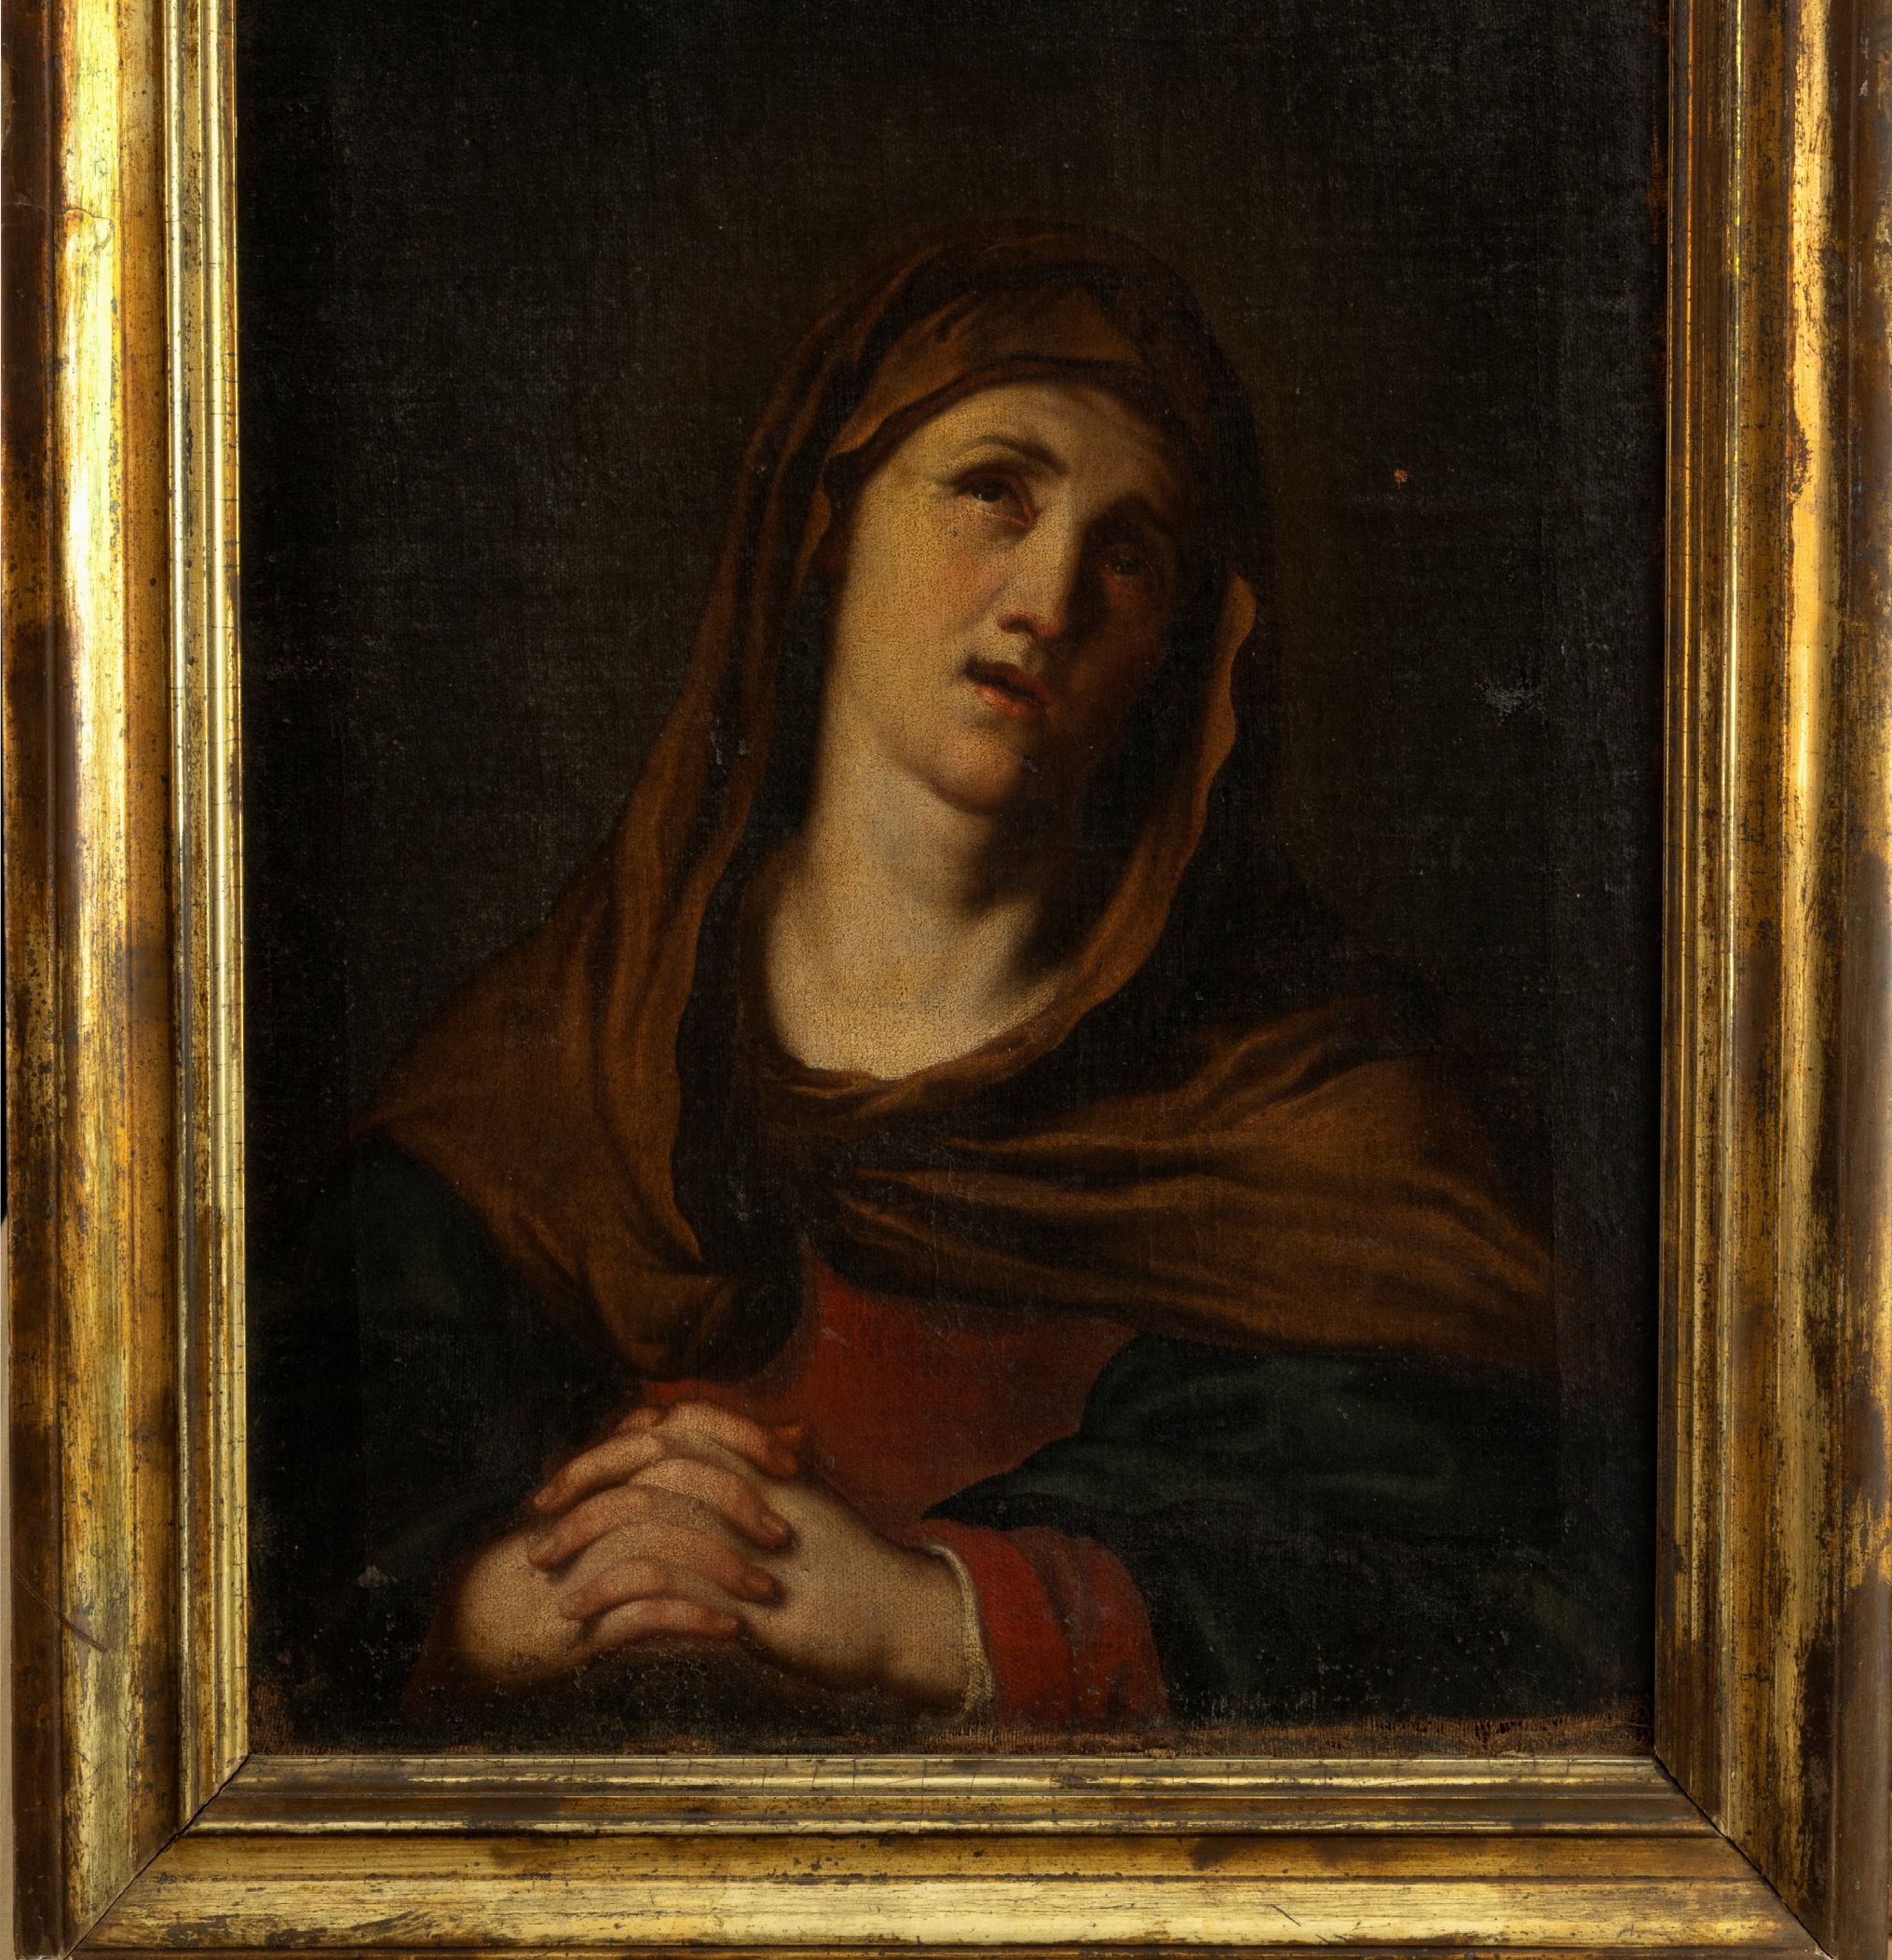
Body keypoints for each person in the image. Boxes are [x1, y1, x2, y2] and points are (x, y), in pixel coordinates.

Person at [257, 225, 1605, 1745]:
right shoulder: (551, 1071)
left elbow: (1534, 1601)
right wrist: (499, 1604)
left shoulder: (1335, 1116)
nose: (1048, 597)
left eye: (1132, 552)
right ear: (828, 525)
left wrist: (940, 1616)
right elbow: (252, 1544)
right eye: (995, 491)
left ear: (1183, 649)